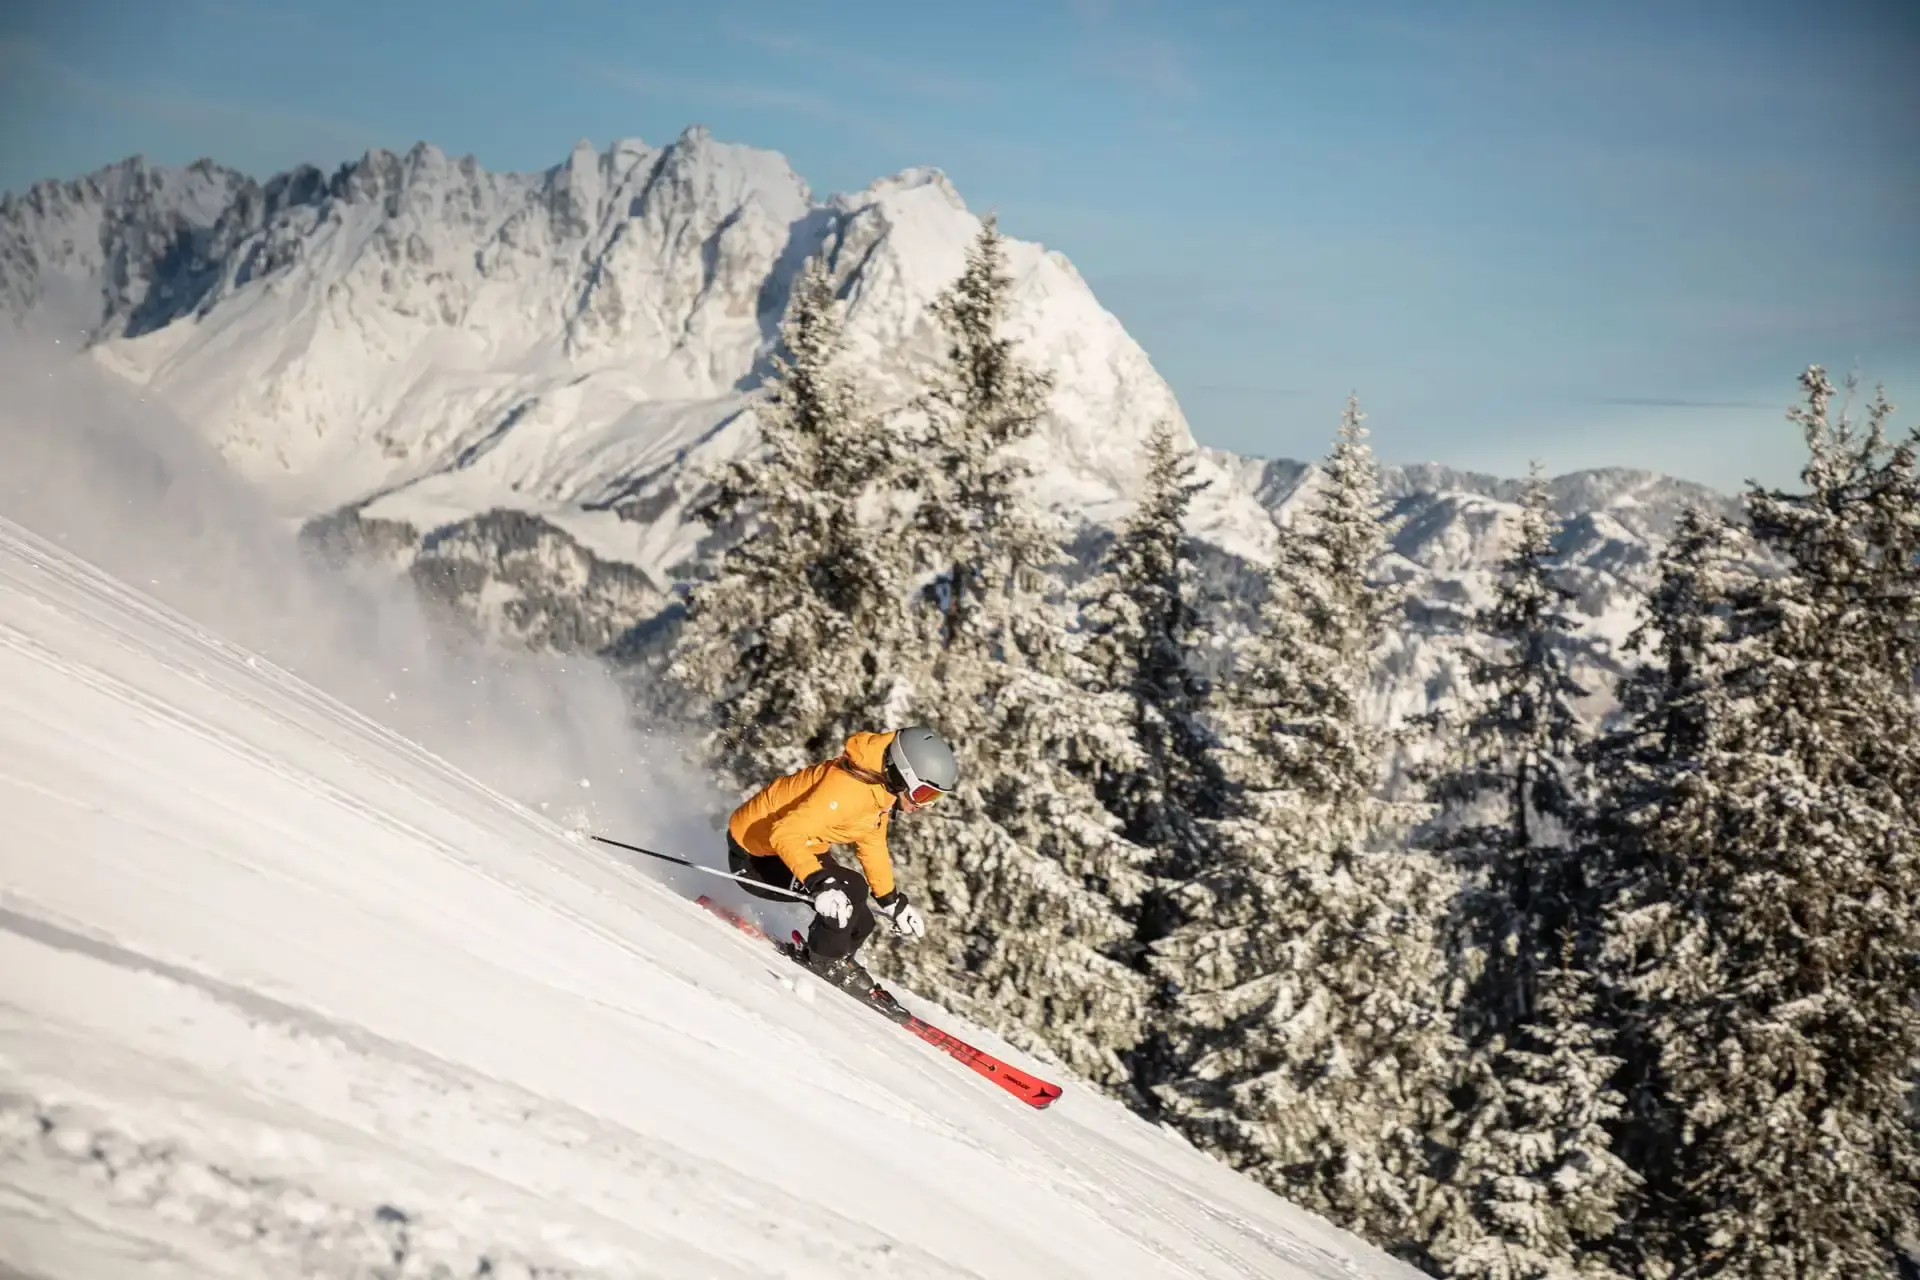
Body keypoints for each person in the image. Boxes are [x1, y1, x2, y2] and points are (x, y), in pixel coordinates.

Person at [726, 725, 957, 995]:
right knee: (852, 889)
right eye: (923, 794)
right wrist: (819, 882)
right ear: (903, 774)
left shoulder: (878, 791)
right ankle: (824, 960)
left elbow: (872, 846)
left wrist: (891, 902)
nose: (924, 806)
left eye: (934, 799)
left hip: (794, 848)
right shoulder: (849, 789)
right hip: (755, 856)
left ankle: (835, 959)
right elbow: (785, 833)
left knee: (861, 921)